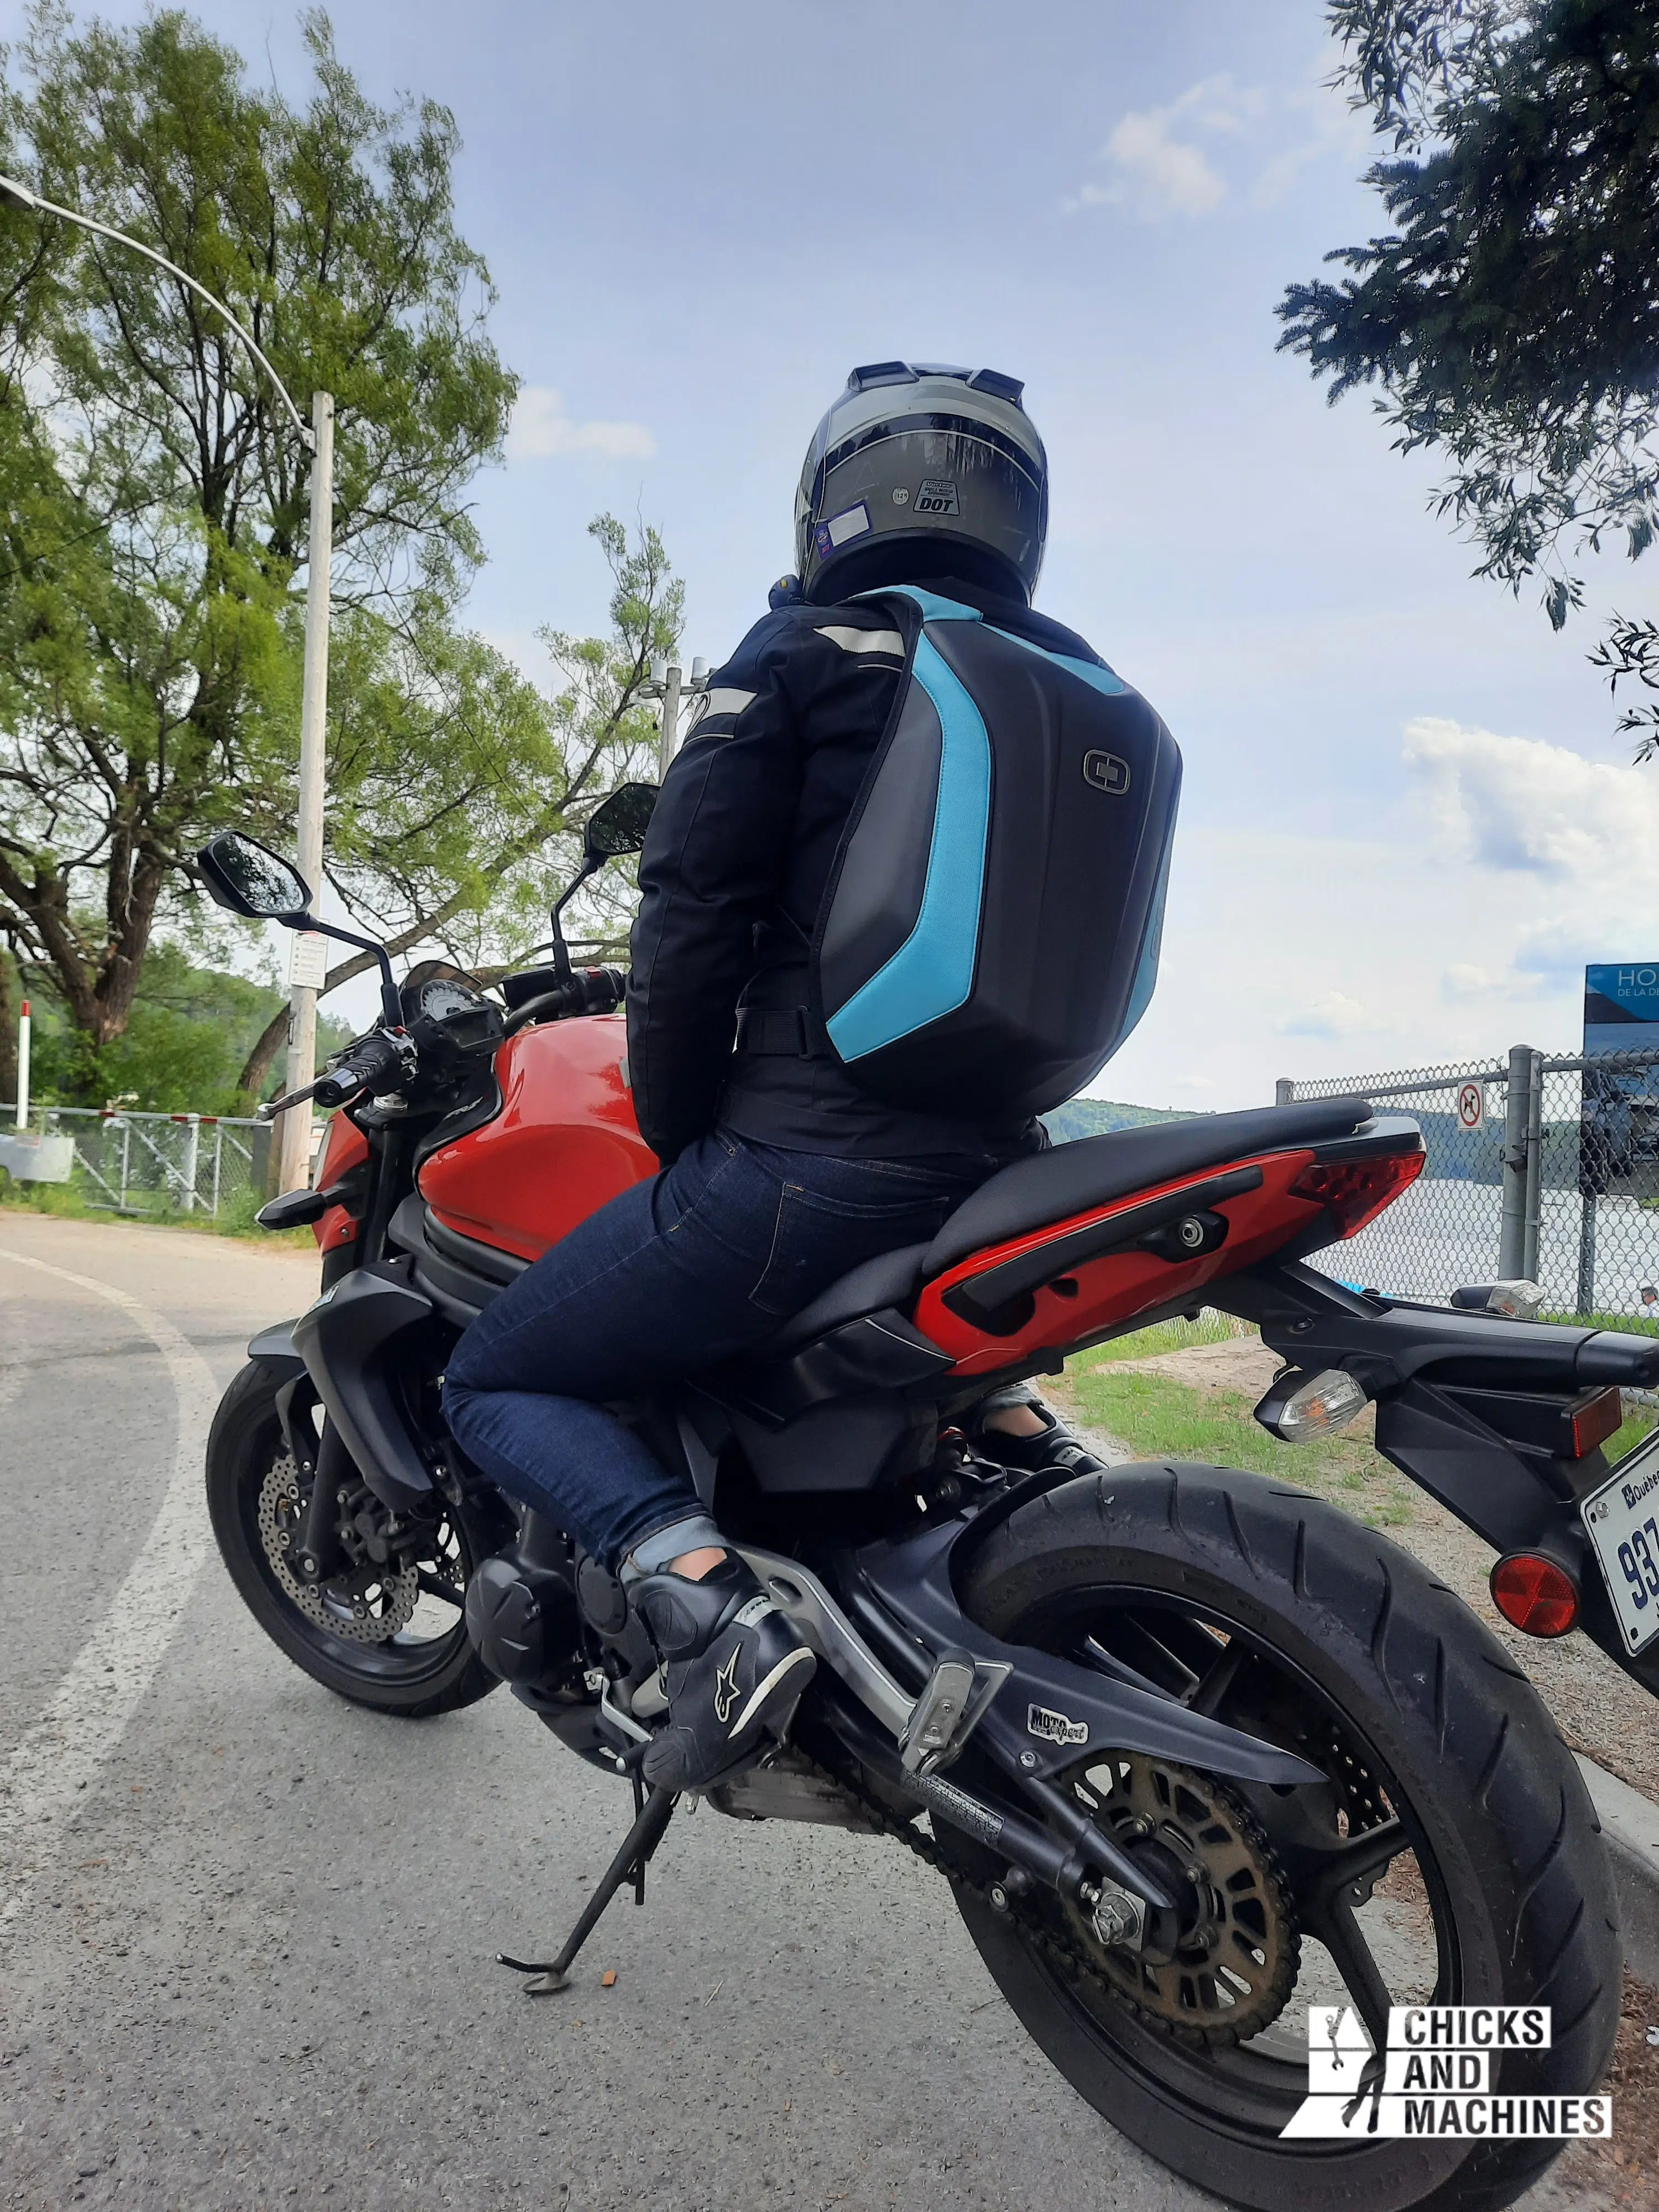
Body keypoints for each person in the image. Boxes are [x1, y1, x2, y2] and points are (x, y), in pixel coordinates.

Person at [444, 363, 1108, 1794]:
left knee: (493, 1376)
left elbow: (687, 915)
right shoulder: (1065, 681)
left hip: (809, 1170)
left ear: (837, 500)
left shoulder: (809, 646)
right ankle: (1006, 1471)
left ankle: (712, 1607)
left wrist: (690, 1139)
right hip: (1000, 1168)